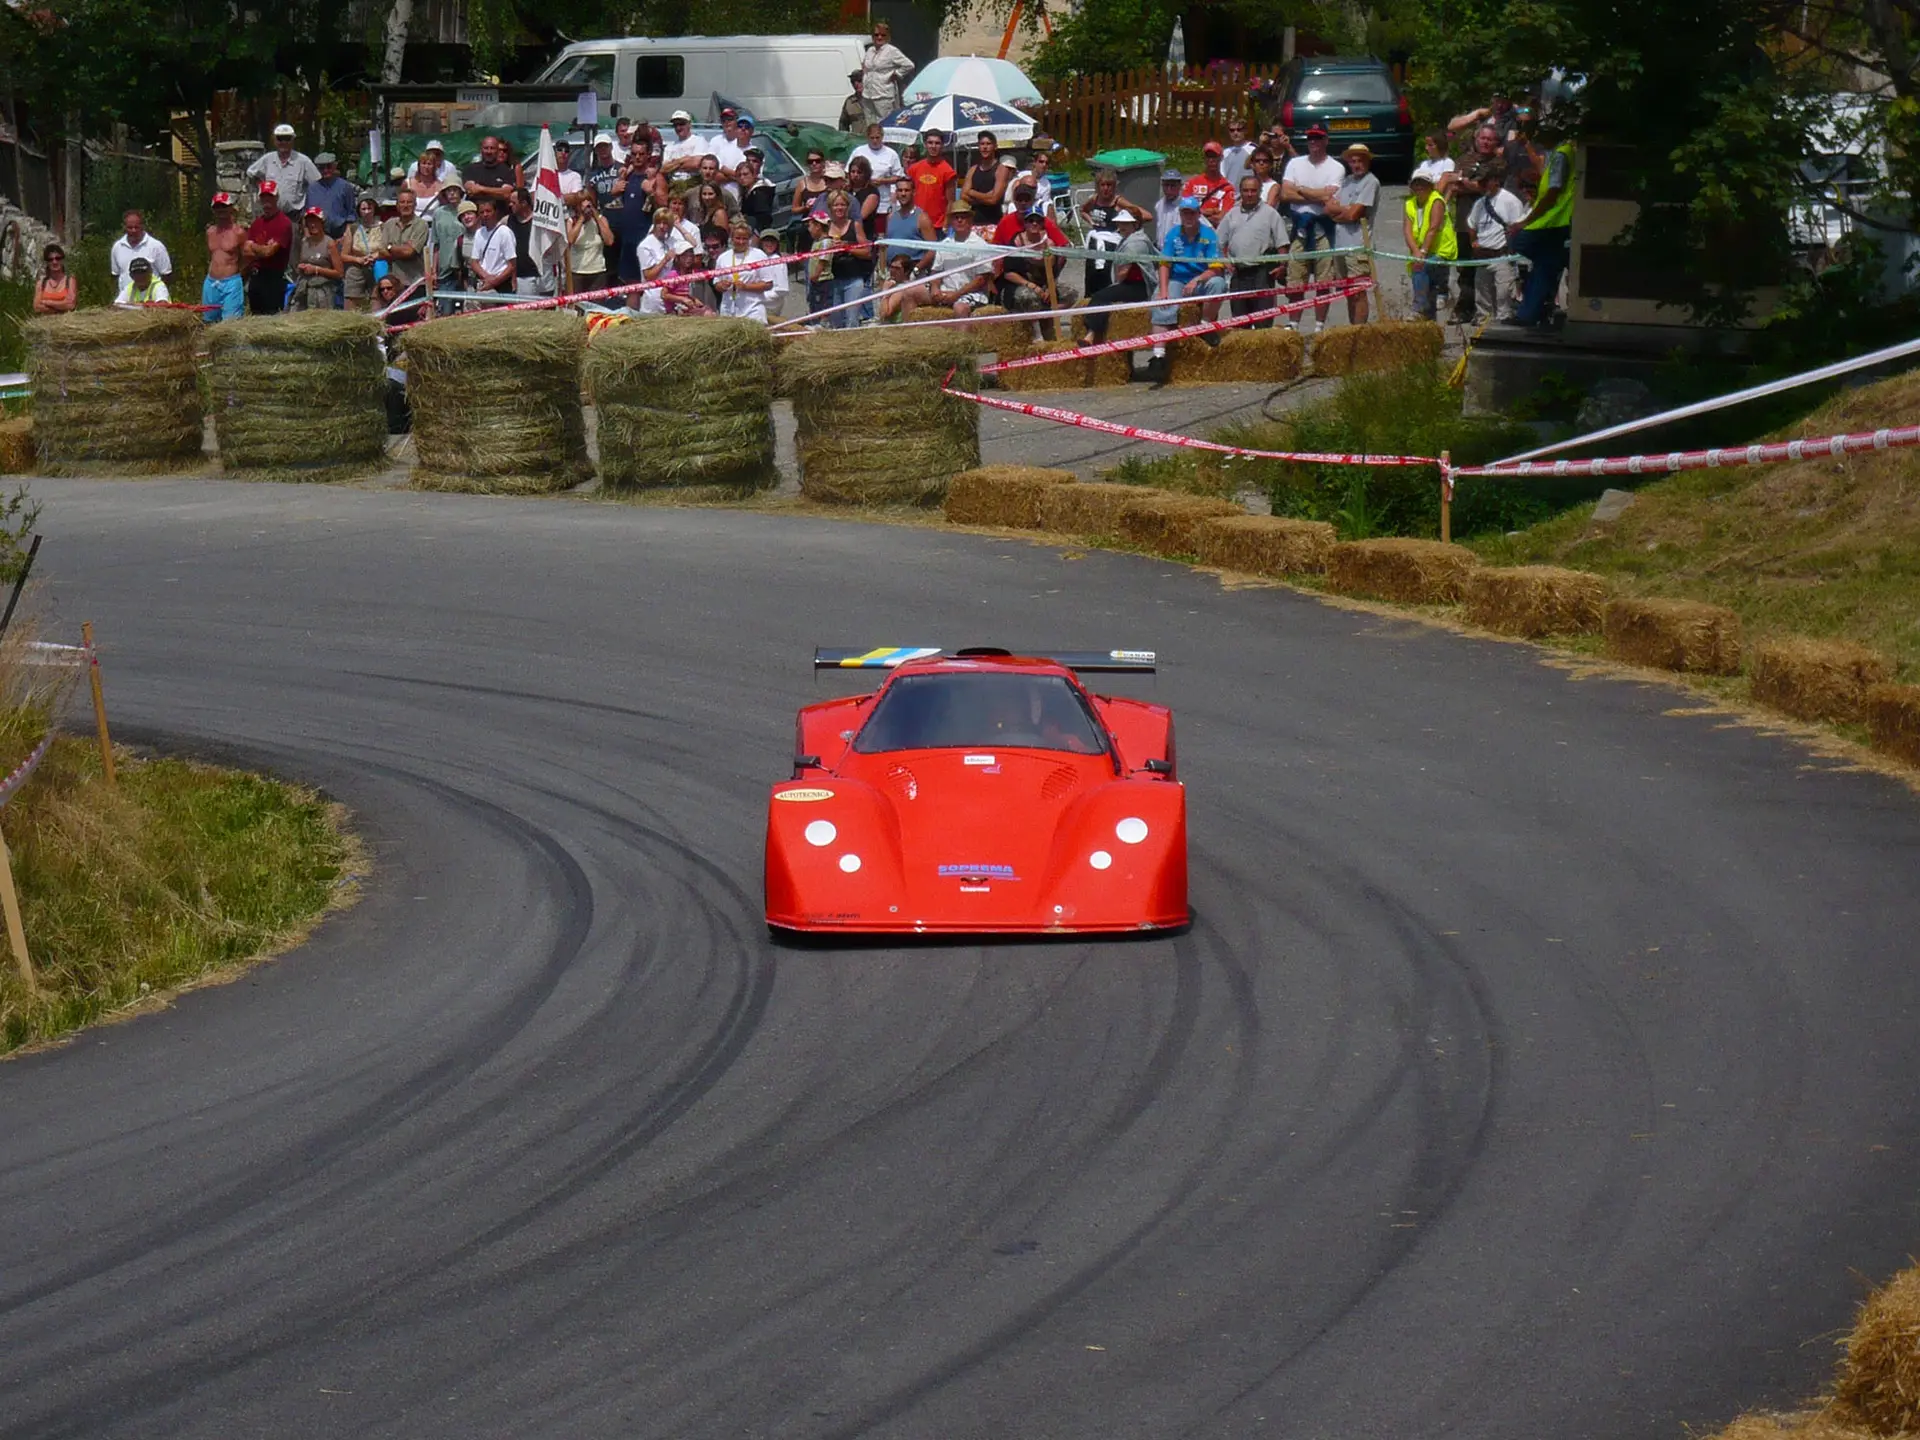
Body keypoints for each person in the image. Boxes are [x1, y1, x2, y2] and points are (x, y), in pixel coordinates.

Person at [1148, 196, 1228, 381]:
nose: (1188, 216)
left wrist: (1197, 280)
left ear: (1199, 214)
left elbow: (1216, 268)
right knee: (1162, 301)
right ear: (1181, 214)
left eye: (1192, 213)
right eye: (1185, 213)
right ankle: (1158, 354)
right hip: (1177, 278)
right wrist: (1164, 290)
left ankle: (1205, 325)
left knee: (1219, 284)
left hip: (1201, 278)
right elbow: (1164, 264)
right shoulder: (1173, 234)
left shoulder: (1209, 235)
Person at [1507, 122, 1575, 326]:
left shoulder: (1562, 154)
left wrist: (1527, 220)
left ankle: (1558, 262)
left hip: (1555, 220)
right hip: (1556, 221)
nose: (1535, 138)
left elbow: (1553, 192)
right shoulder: (1557, 153)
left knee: (1519, 241)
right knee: (1544, 266)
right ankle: (1530, 313)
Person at [1281, 125, 1347, 332]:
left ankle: (1319, 325)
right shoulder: (1295, 163)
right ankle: (1293, 323)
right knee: (1295, 278)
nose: (1314, 143)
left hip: (1323, 228)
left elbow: (1329, 197)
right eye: (1310, 139)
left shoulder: (1336, 167)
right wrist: (1315, 194)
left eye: (1318, 139)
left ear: (1326, 141)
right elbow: (1285, 194)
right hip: (1299, 227)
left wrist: (1299, 189)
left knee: (1324, 279)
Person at [1215, 173, 1287, 327]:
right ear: (1240, 192)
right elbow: (1218, 243)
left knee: (1263, 322)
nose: (1249, 194)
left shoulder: (1270, 214)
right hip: (1238, 273)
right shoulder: (1231, 214)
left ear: (1260, 191)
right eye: (1245, 190)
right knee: (1240, 322)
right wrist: (1224, 261)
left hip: (1262, 272)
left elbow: (1282, 243)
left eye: (1253, 190)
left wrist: (1282, 265)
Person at [1325, 142, 1379, 326]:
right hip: (1341, 244)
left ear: (1367, 161)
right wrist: (1344, 212)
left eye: (1360, 161)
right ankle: (1352, 327)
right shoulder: (1346, 181)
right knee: (1348, 291)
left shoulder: (1371, 182)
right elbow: (1328, 208)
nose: (1356, 165)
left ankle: (1360, 329)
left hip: (1358, 244)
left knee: (1358, 291)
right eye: (1353, 161)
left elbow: (1354, 214)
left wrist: (1341, 212)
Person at [1081, 208, 1153, 342]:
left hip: (1138, 287)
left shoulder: (1135, 243)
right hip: (1132, 285)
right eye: (1120, 223)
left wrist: (1114, 285)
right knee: (1104, 295)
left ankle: (1091, 334)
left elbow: (1122, 274)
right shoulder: (1131, 239)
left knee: (1100, 296)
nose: (1121, 226)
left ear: (1135, 225)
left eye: (1125, 223)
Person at [1079, 167, 1151, 296]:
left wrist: (1126, 224)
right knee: (1091, 278)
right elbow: (1083, 210)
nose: (1106, 188)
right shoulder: (1094, 199)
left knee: (1107, 279)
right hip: (1094, 244)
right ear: (1098, 186)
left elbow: (1146, 215)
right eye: (1103, 185)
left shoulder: (1118, 202)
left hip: (1112, 244)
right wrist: (1090, 221)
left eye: (1109, 185)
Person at [1465, 165, 1523, 322]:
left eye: (1485, 182)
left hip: (1502, 256)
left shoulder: (1510, 201)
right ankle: (1483, 325)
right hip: (1483, 256)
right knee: (1482, 298)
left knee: (1504, 296)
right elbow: (1472, 224)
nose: (1482, 186)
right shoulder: (1480, 203)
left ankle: (1503, 326)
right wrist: (1473, 242)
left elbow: (1517, 227)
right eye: (1480, 182)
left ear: (1495, 181)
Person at [1410, 130, 1459, 310]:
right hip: (1424, 207)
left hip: (1439, 205)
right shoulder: (1424, 164)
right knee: (1425, 243)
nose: (1428, 148)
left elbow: (1440, 187)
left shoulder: (1447, 163)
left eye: (1431, 145)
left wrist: (1436, 188)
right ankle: (1426, 291)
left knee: (1440, 248)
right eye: (1427, 145)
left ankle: (1442, 290)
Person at [1403, 171, 1456, 320]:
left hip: (1441, 250)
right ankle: (1429, 319)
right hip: (1421, 250)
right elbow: (1407, 229)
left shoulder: (1436, 200)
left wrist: (1423, 252)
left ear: (1431, 186)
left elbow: (1433, 228)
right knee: (1428, 286)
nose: (1419, 187)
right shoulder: (1409, 203)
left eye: (1423, 183)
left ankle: (1418, 306)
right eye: (1416, 183)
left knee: (1420, 267)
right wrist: (1415, 250)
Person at [822, 188, 872, 326]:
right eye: (836, 205)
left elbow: (867, 252)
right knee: (835, 320)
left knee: (852, 319)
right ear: (830, 207)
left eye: (843, 204)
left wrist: (847, 248)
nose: (839, 208)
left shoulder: (855, 225)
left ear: (848, 207)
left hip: (853, 279)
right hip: (833, 279)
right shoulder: (825, 228)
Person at [242, 182, 293, 314]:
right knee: (255, 316)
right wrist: (262, 249)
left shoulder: (284, 222)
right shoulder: (257, 223)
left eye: (270, 197)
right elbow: (246, 252)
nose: (267, 202)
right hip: (256, 276)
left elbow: (269, 252)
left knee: (272, 317)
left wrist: (254, 246)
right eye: (264, 198)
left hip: (273, 277)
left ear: (276, 198)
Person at [246, 124, 320, 212]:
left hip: (294, 217)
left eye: (287, 139)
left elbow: (317, 183)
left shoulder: (303, 161)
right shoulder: (267, 159)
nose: (284, 142)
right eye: (280, 139)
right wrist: (261, 186)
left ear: (293, 140)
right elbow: (250, 172)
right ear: (275, 141)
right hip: (271, 215)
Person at [713, 217, 775, 322]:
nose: (741, 242)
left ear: (749, 239)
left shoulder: (759, 255)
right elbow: (716, 283)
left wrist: (746, 286)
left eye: (744, 238)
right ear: (731, 239)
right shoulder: (723, 257)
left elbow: (768, 284)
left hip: (752, 310)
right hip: (728, 310)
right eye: (737, 238)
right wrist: (721, 285)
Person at [633, 207, 688, 314]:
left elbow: (693, 245)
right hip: (654, 299)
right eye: (658, 223)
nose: (662, 227)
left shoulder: (671, 241)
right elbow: (648, 276)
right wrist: (665, 260)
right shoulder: (645, 245)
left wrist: (680, 227)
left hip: (672, 296)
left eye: (665, 223)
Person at [288, 208, 344, 310]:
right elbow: (301, 262)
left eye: (315, 221)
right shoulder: (304, 242)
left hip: (322, 291)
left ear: (322, 222)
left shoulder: (329, 243)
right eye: (310, 222)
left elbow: (339, 273)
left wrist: (317, 270)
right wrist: (301, 268)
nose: (313, 225)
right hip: (304, 289)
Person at [859, 21, 913, 127]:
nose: (879, 37)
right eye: (876, 35)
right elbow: (866, 67)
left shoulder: (891, 51)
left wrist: (897, 74)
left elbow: (909, 65)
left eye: (882, 35)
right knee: (870, 124)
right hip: (868, 93)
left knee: (884, 124)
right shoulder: (870, 50)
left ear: (887, 36)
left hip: (883, 94)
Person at [200, 195, 244, 322]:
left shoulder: (239, 232)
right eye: (217, 207)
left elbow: (246, 256)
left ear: (230, 208)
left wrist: (238, 274)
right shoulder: (210, 232)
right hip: (211, 281)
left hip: (230, 281)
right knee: (208, 321)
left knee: (230, 324)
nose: (220, 210)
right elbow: (211, 255)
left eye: (223, 206)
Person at [880, 176, 935, 276]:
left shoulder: (922, 218)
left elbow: (933, 249)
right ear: (896, 193)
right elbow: (886, 246)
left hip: (913, 273)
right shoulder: (890, 217)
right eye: (900, 190)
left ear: (913, 192)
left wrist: (917, 269)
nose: (903, 194)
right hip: (892, 272)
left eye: (906, 190)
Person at [341, 195, 386, 312]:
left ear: (374, 209)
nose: (366, 212)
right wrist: (358, 260)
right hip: (356, 268)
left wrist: (376, 255)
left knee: (376, 301)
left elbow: (388, 249)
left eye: (369, 209)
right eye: (363, 209)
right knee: (352, 304)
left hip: (377, 268)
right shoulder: (353, 228)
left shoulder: (383, 227)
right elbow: (344, 255)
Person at [465, 196, 517, 297]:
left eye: (488, 211)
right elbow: (474, 262)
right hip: (484, 282)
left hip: (502, 284)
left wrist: (495, 281)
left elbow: (512, 265)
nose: (485, 214)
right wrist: (487, 278)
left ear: (495, 212)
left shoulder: (505, 232)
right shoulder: (479, 233)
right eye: (482, 212)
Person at [907, 130, 956, 233]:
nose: (933, 146)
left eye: (937, 143)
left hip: (937, 225)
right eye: (930, 142)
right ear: (925, 144)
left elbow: (951, 201)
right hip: (915, 223)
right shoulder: (914, 169)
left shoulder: (948, 171)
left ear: (942, 145)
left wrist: (946, 225)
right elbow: (908, 196)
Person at [382, 188, 429, 295]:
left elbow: (409, 252)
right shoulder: (389, 224)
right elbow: (381, 251)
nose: (405, 205)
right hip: (393, 283)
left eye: (409, 202)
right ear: (397, 205)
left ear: (415, 205)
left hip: (415, 283)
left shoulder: (421, 225)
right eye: (402, 202)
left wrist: (390, 248)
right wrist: (402, 249)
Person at [109, 209, 172, 288]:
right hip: (126, 298)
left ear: (142, 226)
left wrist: (159, 293)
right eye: (130, 227)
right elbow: (116, 275)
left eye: (136, 227)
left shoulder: (156, 246)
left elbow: (166, 275)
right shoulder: (117, 247)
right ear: (124, 227)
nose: (133, 230)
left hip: (151, 298)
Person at [429, 182, 467, 313]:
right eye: (448, 190)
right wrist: (434, 270)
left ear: (460, 192)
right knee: (445, 308)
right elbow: (436, 243)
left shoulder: (468, 210)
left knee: (465, 308)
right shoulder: (438, 213)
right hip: (444, 267)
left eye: (455, 190)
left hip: (465, 267)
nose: (451, 193)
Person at [851, 121, 904, 214]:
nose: (875, 140)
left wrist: (883, 181)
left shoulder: (891, 154)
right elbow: (849, 172)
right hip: (861, 201)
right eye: (872, 138)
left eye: (877, 137)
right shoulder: (858, 152)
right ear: (867, 137)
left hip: (883, 204)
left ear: (882, 137)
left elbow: (899, 177)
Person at [564, 193, 614, 294]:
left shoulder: (601, 219)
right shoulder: (571, 221)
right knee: (577, 306)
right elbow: (570, 240)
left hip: (597, 271)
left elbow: (609, 241)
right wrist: (582, 218)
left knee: (596, 306)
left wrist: (596, 216)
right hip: (577, 271)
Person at [961, 133, 1014, 227]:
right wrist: (986, 196)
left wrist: (972, 192)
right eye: (982, 144)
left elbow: (994, 199)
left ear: (995, 146)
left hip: (993, 223)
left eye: (988, 144)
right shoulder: (973, 169)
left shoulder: (1001, 169)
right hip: (973, 223)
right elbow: (963, 195)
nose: (985, 147)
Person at [1181, 141, 1235, 224]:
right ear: (1204, 158)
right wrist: (1211, 211)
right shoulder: (1191, 183)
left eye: (1214, 156)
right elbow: (1184, 212)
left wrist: (1197, 214)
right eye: (1208, 157)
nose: (1211, 160)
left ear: (1221, 157)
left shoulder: (1228, 188)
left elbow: (1221, 219)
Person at [307, 153, 359, 238]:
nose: (325, 170)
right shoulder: (312, 189)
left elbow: (351, 214)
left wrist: (347, 235)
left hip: (340, 235)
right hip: (317, 236)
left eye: (329, 166)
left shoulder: (345, 187)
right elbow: (306, 214)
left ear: (335, 166)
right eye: (322, 167)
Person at [463, 135, 522, 207]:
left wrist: (481, 189)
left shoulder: (506, 171)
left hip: (499, 214)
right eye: (486, 148)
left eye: (492, 148)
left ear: (497, 151)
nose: (489, 151)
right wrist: (497, 192)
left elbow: (506, 193)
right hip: (475, 214)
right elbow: (471, 189)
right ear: (481, 150)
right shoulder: (470, 169)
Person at [1448, 88, 1522, 145]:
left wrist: (1518, 109)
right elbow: (1451, 126)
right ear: (1491, 102)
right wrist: (1476, 113)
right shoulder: (1483, 117)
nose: (1499, 106)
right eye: (1496, 101)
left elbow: (1529, 112)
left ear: (1509, 104)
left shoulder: (1511, 120)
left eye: (1503, 102)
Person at [505, 187, 542, 296]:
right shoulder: (508, 220)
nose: (510, 205)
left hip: (536, 275)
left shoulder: (539, 221)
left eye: (513, 202)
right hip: (517, 276)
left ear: (524, 203)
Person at [405, 140, 456, 210]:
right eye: (431, 153)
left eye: (437, 154)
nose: (434, 156)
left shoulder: (450, 167)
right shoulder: (413, 167)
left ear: (442, 155)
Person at [1009, 145, 1058, 216]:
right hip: (1019, 203)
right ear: (1035, 162)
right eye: (1041, 161)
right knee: (1012, 206)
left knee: (1048, 206)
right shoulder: (1022, 175)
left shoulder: (1047, 184)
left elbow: (1044, 203)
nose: (1044, 165)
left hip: (1035, 209)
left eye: (1046, 163)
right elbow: (1014, 193)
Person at [737, 153, 778, 234]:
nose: (742, 178)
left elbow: (764, 219)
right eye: (739, 175)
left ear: (754, 175)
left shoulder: (759, 193)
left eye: (745, 174)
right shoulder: (747, 191)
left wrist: (757, 235)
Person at [661, 110, 709, 179]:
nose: (678, 128)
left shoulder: (699, 140)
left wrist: (673, 163)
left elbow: (696, 164)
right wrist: (683, 160)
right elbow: (664, 169)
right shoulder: (670, 146)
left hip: (693, 182)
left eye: (681, 124)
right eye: (675, 125)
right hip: (674, 183)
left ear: (689, 124)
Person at [32, 243, 77, 314]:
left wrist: (47, 302)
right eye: (50, 259)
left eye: (58, 258)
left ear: (62, 260)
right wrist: (61, 307)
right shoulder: (41, 283)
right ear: (47, 262)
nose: (54, 262)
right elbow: (37, 307)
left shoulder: (70, 280)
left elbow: (70, 305)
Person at [707, 108, 749, 182]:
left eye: (730, 119)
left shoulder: (743, 141)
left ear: (737, 121)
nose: (726, 122)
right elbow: (709, 163)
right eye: (723, 120)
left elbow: (744, 172)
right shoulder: (715, 140)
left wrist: (723, 170)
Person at [793, 146, 832, 219]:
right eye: (810, 162)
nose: (814, 163)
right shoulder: (802, 183)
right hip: (811, 223)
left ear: (823, 162)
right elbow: (794, 209)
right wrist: (805, 207)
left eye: (817, 161)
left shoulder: (830, 180)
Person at [588, 134, 625, 210]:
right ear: (595, 150)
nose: (602, 149)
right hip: (605, 217)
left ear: (611, 147)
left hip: (624, 214)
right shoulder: (592, 175)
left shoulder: (622, 168)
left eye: (605, 146)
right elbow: (593, 203)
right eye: (599, 147)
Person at [845, 154, 881, 231]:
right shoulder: (847, 190)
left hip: (864, 232)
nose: (855, 175)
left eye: (859, 172)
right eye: (853, 172)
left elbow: (861, 217)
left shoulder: (872, 192)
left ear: (866, 174)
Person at [1221, 118, 1255, 187]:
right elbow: (1222, 175)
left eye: (1239, 130)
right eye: (1232, 130)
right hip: (1229, 193)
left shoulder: (1253, 149)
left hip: (1248, 193)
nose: (1235, 133)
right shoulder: (1225, 152)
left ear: (1245, 131)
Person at [1154, 168, 1185, 245]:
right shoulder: (1158, 205)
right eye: (1166, 185)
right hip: (1160, 250)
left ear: (1180, 186)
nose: (1169, 189)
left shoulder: (1186, 206)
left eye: (1173, 186)